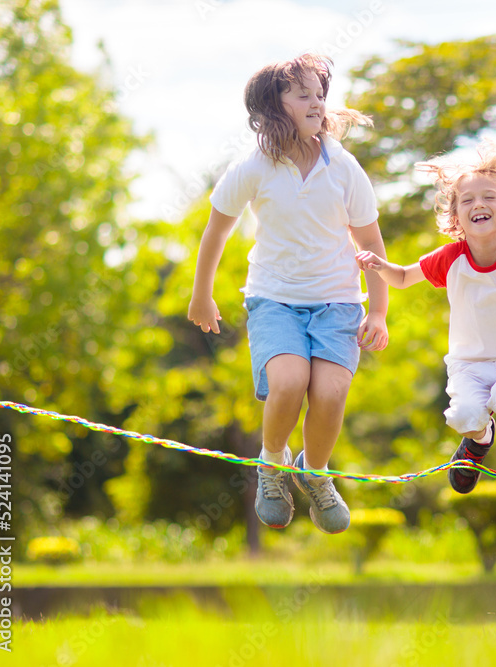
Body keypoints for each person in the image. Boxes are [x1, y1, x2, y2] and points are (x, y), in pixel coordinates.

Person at [188, 54, 388, 534]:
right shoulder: (253, 166)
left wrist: (379, 311)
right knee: (289, 381)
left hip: (338, 303)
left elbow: (371, 243)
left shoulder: (343, 166)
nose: (316, 103)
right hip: (274, 300)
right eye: (303, 95)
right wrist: (202, 295)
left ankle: (314, 473)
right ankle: (272, 464)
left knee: (331, 392)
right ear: (274, 105)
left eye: (320, 94)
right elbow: (217, 230)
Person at [356, 141, 496, 527]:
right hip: (468, 364)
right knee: (465, 416)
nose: (479, 204)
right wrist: (379, 265)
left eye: (489, 197)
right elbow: (402, 277)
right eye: (467, 200)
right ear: (456, 217)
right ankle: (479, 439)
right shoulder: (451, 258)